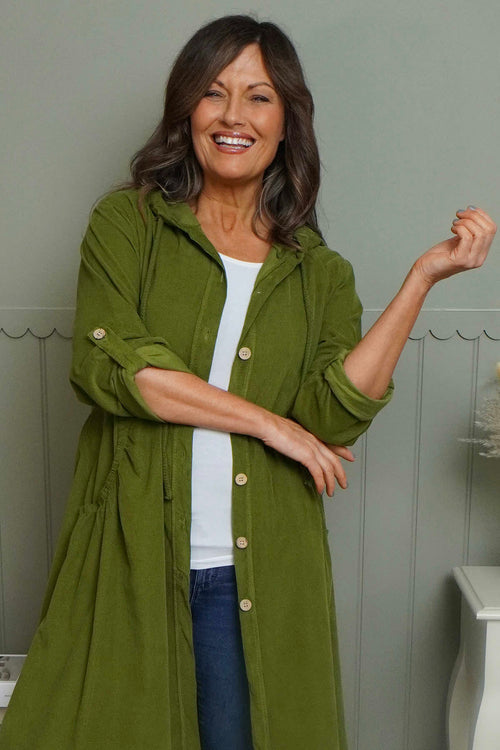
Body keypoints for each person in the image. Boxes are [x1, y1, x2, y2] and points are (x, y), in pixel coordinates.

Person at [0, 14, 495, 750]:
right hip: (131, 560)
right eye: (213, 92)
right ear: (186, 110)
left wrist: (422, 278)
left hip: (255, 573)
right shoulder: (128, 224)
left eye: (259, 97)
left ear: (287, 120)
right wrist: (269, 423)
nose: (233, 116)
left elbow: (332, 417)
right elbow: (113, 368)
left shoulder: (319, 272)